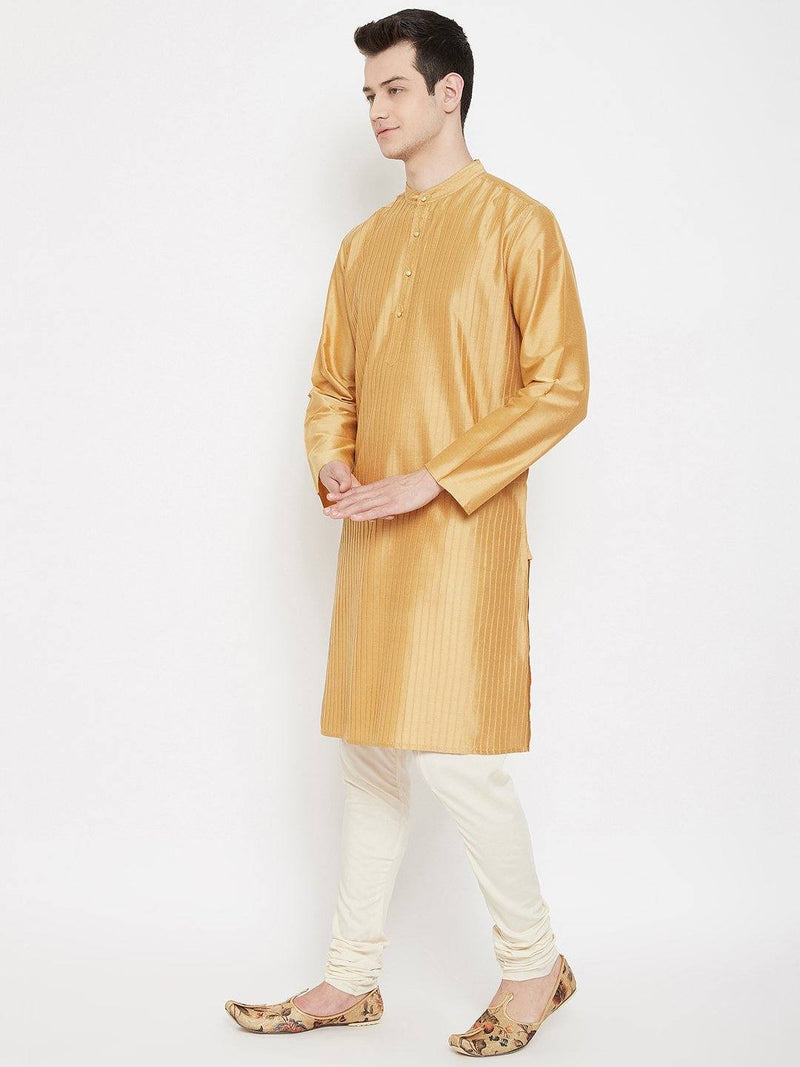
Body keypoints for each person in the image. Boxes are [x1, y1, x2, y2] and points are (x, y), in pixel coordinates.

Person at [225, 8, 588, 1055]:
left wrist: (437, 476)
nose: (377, 110)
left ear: (448, 91)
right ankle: (351, 978)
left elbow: (560, 388)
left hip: (463, 531)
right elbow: (330, 387)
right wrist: (331, 460)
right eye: (368, 94)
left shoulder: (519, 225)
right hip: (373, 534)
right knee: (373, 755)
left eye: (393, 88)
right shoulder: (364, 245)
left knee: (458, 761)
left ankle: (533, 963)